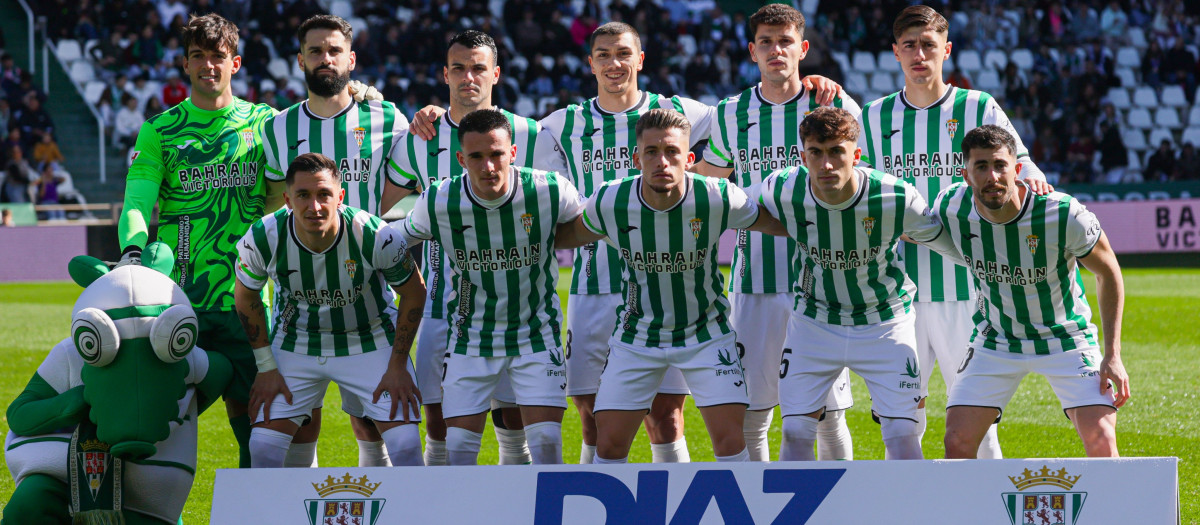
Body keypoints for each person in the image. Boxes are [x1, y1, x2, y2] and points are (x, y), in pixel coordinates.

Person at [857, 5, 1051, 459]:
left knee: (977, 423)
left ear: (947, 49)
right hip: (895, 293)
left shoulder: (977, 106)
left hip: (966, 288)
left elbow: (1023, 164)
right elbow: (860, 190)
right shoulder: (873, 117)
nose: (919, 54)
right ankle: (913, 508)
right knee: (902, 421)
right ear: (895, 52)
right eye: (910, 45)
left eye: (929, 45)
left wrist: (1036, 180)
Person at [558, 107, 791, 464]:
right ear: (636, 157)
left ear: (689, 158)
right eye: (651, 152)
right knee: (608, 446)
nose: (661, 162)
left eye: (672, 152)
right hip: (637, 337)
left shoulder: (716, 195)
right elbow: (567, 236)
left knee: (732, 443)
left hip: (706, 336)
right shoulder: (610, 200)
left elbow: (775, 224)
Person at [694, 3, 857, 461]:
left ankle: (835, 503)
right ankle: (759, 504)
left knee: (827, 413)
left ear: (802, 48)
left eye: (785, 41)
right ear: (752, 51)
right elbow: (710, 182)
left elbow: (864, 175)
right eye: (766, 41)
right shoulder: (731, 112)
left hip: (823, 283)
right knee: (754, 412)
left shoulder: (833, 103)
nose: (776, 50)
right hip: (755, 282)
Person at [117, 13, 279, 469]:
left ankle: (255, 514)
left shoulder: (265, 124)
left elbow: (289, 191)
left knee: (259, 431)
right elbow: (136, 201)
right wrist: (132, 251)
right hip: (175, 303)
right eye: (198, 56)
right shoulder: (161, 130)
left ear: (236, 62)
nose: (209, 65)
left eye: (218, 56)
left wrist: (364, 94)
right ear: (185, 65)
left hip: (247, 302)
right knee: (156, 427)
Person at [758, 107, 962, 461]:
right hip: (814, 321)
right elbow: (738, 211)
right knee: (794, 431)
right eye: (815, 153)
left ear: (857, 154)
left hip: (885, 321)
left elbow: (947, 243)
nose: (826, 165)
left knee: (901, 433)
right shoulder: (781, 188)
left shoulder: (896, 197)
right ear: (802, 155)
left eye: (836, 151)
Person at [392, 30, 556, 466]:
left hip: (518, 312)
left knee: (513, 423)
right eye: (460, 68)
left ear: (496, 74)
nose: (470, 77)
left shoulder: (531, 134)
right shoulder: (418, 136)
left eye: (479, 67)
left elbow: (560, 208)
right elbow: (387, 211)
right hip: (442, 309)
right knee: (440, 428)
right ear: (445, 75)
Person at [259, 14, 411, 468]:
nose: (325, 59)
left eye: (334, 50)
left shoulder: (387, 116)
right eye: (315, 51)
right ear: (300, 60)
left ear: (351, 58)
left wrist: (394, 235)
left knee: (370, 419)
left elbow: (413, 183)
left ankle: (382, 503)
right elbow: (272, 202)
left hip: (371, 291)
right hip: (300, 299)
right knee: (300, 418)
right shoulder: (276, 129)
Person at [397, 109, 584, 465]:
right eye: (476, 157)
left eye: (496, 154)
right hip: (470, 341)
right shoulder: (439, 199)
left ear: (512, 152)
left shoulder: (549, 189)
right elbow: (390, 242)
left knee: (546, 444)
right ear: (460, 159)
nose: (488, 167)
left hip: (536, 338)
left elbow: (588, 223)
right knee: (459, 452)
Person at [936, 125, 1129, 458]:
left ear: (1018, 169)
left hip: (1065, 337)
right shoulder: (951, 207)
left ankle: (1112, 512)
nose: (992, 176)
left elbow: (1108, 272)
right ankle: (971, 512)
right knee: (956, 441)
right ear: (966, 174)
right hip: (996, 340)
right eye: (981, 166)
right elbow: (913, 228)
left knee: (1101, 441)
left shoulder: (1061, 213)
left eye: (1000, 165)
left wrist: (1112, 354)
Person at [235, 152, 426, 468]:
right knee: (264, 449)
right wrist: (266, 366)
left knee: (405, 446)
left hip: (370, 338)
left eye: (324, 194)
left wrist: (398, 365)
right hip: (295, 341)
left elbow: (414, 292)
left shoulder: (376, 234)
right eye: (303, 195)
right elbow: (246, 297)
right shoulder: (262, 236)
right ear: (287, 199)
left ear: (340, 196)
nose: (314, 206)